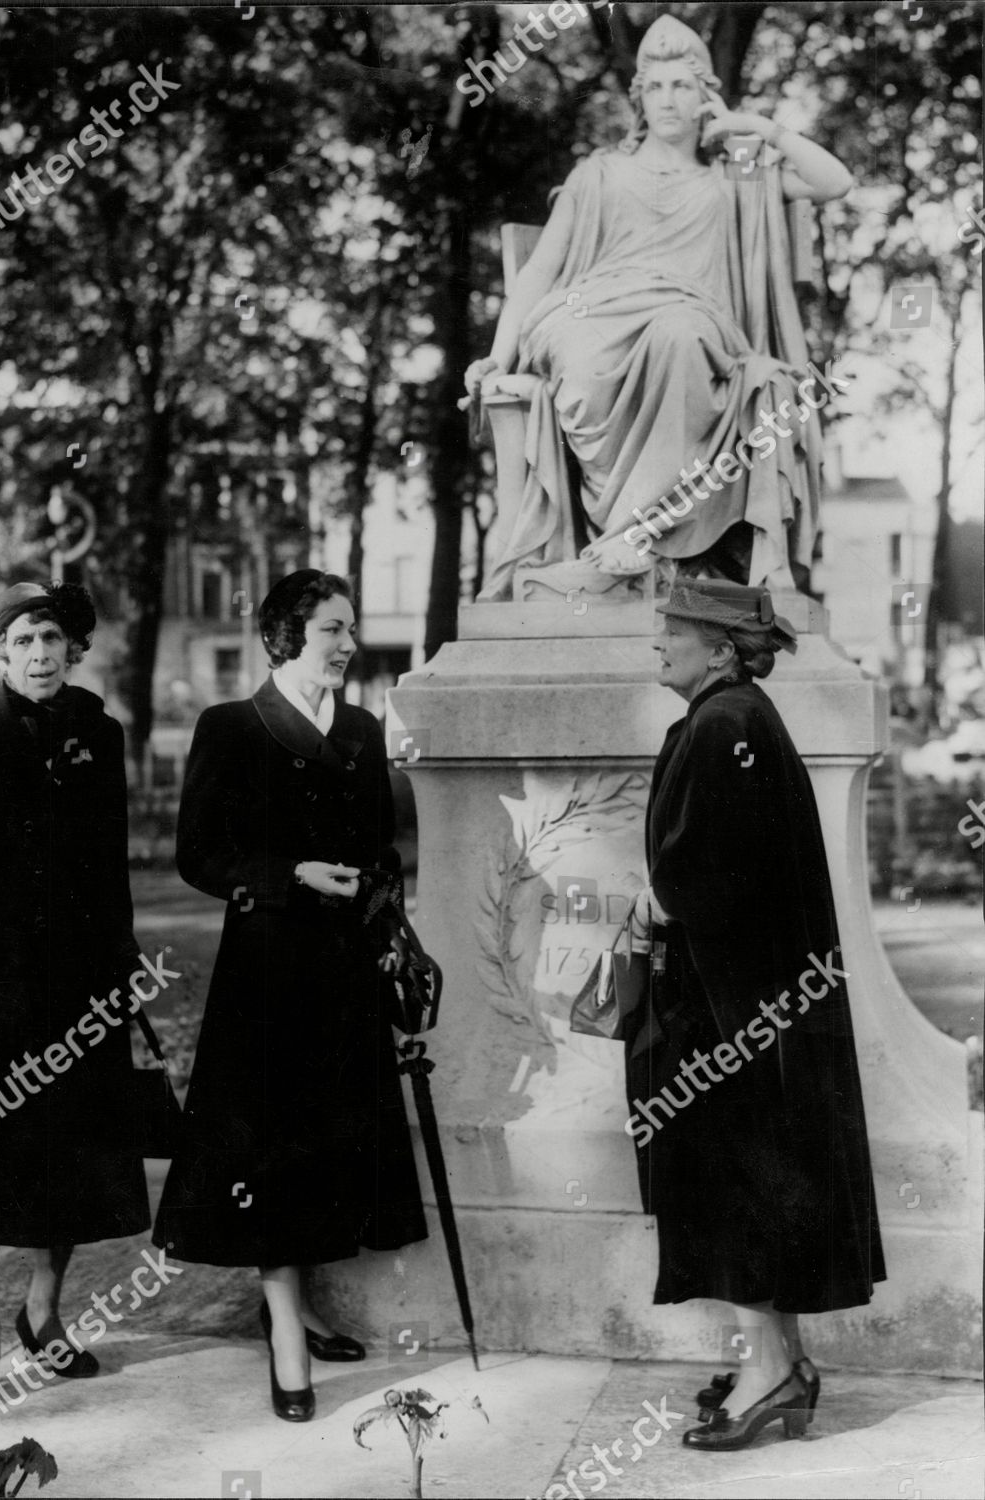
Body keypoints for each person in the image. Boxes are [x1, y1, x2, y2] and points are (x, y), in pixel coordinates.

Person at [152, 570, 427, 1422]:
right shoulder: (231, 728)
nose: (347, 644)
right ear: (284, 636)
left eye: (348, 630)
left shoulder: (361, 728)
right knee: (270, 1149)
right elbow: (198, 856)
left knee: (326, 1145)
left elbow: (383, 853)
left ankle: (300, 1307)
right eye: (331, 630)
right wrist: (286, 875)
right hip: (267, 973)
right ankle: (283, 1334)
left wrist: (386, 926)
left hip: (346, 973)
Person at [625, 576, 885, 1451]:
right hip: (752, 1010)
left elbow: (714, 879)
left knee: (736, 1189)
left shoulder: (724, 724)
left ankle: (768, 1374)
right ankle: (780, 1363)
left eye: (675, 629)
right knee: (754, 1187)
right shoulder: (734, 717)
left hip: (727, 1017)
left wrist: (657, 901)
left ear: (721, 648)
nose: (659, 640)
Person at [464, 14, 852, 600]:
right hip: (591, 312)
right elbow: (542, 270)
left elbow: (835, 182)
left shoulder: (735, 179)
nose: (668, 99)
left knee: (679, 335)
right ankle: (626, 546)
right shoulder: (599, 174)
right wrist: (498, 357)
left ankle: (631, 541)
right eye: (656, 86)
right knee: (592, 359)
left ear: (705, 98)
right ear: (639, 98)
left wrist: (757, 127)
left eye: (682, 86)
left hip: (691, 322)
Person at [0, 581, 150, 1412]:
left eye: (52, 638)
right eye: (22, 640)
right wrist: (2, 965)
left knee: (74, 1153)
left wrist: (120, 968)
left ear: (71, 648)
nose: (41, 654)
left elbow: (111, 862)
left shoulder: (101, 733)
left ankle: (44, 1309)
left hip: (83, 983)